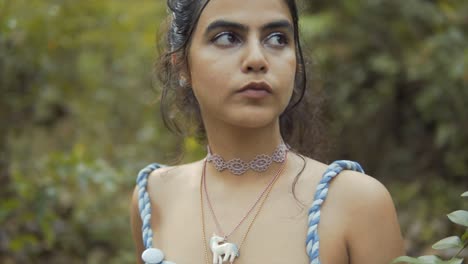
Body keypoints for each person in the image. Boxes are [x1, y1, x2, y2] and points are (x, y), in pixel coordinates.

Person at [130, 0, 405, 263]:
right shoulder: (155, 197)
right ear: (182, 65)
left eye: (277, 39)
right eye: (227, 37)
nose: (257, 59)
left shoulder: (356, 203)